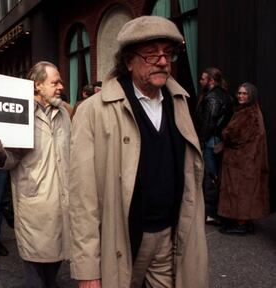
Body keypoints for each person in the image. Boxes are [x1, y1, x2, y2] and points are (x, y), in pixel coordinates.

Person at [69, 16, 208, 288]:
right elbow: (81, 199)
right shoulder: (93, 111)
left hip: (169, 236)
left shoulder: (179, 103)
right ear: (128, 61)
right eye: (151, 54)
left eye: (168, 53)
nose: (163, 61)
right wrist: (88, 270)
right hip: (122, 240)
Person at [0, 61, 71, 287]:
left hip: (63, 202)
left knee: (56, 261)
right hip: (35, 206)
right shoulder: (20, 114)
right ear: (38, 85)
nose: (61, 86)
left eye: (60, 81)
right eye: (55, 82)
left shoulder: (64, 112)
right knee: (35, 268)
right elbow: (12, 158)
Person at [217, 83, 269, 235]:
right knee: (246, 192)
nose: (240, 96)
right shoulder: (252, 110)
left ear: (251, 95)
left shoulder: (247, 113)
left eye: (244, 94)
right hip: (248, 159)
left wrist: (224, 133)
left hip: (242, 161)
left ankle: (241, 224)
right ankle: (245, 223)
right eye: (239, 93)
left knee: (241, 192)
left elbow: (234, 135)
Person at [195, 67, 233, 224]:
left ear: (211, 81)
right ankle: (215, 212)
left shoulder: (213, 98)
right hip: (216, 140)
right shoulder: (222, 94)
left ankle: (212, 213)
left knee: (210, 177)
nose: (200, 81)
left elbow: (209, 123)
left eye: (203, 79)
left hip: (211, 141)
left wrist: (201, 141)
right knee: (214, 176)